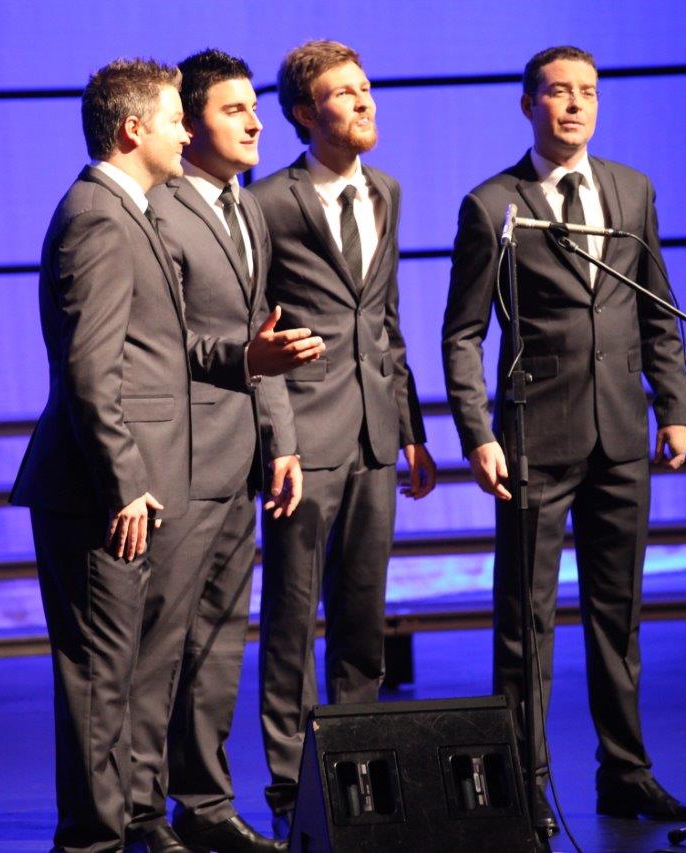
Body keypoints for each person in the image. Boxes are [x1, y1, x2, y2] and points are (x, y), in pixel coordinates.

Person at [11, 58, 320, 853]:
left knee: (127, 672)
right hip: (100, 490)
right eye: (176, 119)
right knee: (98, 678)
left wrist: (248, 361)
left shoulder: (129, 211)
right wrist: (125, 483)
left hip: (138, 480)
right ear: (132, 129)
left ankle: (126, 824)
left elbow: (161, 347)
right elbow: (91, 370)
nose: (186, 133)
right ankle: (93, 842)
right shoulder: (98, 217)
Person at [441, 45, 686, 833]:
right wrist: (477, 432)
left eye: (586, 92)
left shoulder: (632, 188)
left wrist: (674, 405)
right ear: (528, 104)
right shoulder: (494, 204)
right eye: (558, 92)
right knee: (525, 622)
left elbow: (657, 306)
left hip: (621, 433)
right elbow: (462, 333)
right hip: (535, 437)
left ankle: (625, 771)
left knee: (617, 615)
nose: (574, 105)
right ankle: (524, 780)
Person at [249, 39, 437, 833]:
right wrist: (278, 438)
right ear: (304, 112)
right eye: (343, 92)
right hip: (303, 437)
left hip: (374, 435)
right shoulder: (268, 202)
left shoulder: (386, 190)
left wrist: (412, 428)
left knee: (363, 617)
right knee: (292, 617)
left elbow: (385, 320)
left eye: (366, 87)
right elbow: (258, 331)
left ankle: (355, 768)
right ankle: (291, 785)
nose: (364, 101)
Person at [127, 48, 307, 853]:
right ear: (189, 125)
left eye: (255, 107)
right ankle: (138, 810)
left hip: (239, 457)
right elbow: (157, 342)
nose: (256, 123)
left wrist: (282, 439)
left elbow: (260, 329)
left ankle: (203, 802)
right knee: (160, 642)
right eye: (235, 110)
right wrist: (247, 360)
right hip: (177, 458)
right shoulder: (155, 208)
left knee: (218, 642)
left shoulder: (246, 207)